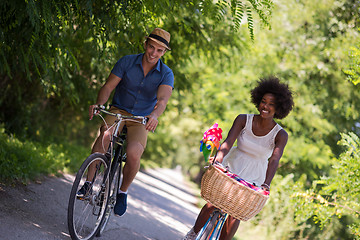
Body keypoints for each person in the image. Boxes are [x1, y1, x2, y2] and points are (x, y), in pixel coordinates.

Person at [77, 27, 174, 217]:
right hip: (118, 110)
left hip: (140, 119)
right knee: (105, 136)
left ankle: (122, 192)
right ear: (145, 44)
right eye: (151, 47)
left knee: (133, 152)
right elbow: (108, 86)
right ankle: (88, 185)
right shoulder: (127, 61)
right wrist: (99, 104)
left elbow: (162, 101)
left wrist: (154, 116)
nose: (154, 53)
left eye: (159, 50)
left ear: (164, 52)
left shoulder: (166, 73)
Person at [183, 76, 294, 240]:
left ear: (279, 108)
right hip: (231, 165)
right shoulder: (243, 119)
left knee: (235, 214)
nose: (265, 106)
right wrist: (218, 159)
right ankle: (192, 234)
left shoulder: (281, 135)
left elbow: (274, 160)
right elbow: (228, 143)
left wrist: (266, 185)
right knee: (212, 202)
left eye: (271, 104)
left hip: (255, 175)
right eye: (264, 101)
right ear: (258, 100)